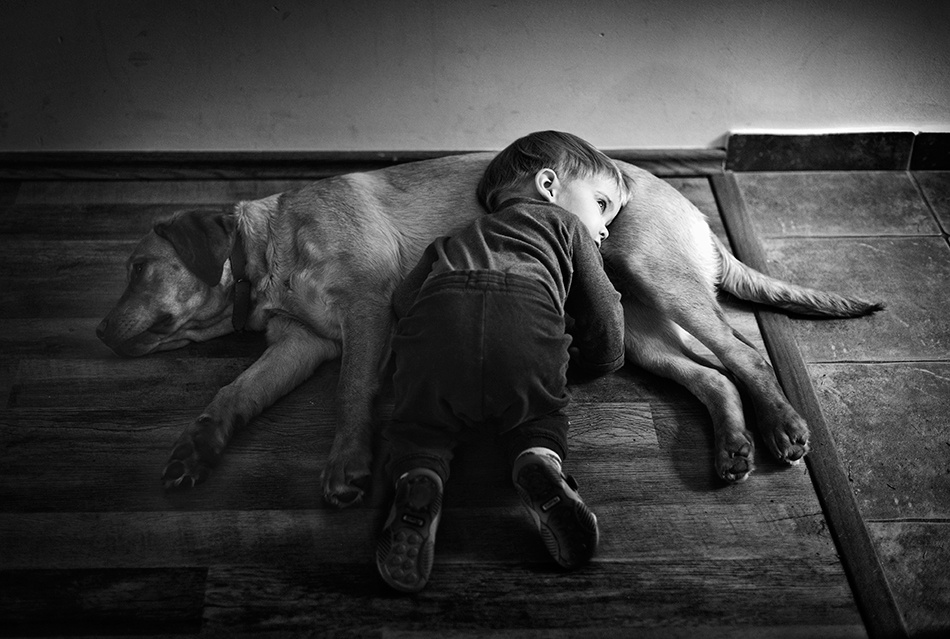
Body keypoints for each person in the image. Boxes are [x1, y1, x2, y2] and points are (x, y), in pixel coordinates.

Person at [376, 130, 628, 593]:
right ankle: (538, 461)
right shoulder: (567, 228)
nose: (606, 229)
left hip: (438, 322)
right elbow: (603, 307)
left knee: (420, 426)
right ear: (549, 186)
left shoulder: (455, 236)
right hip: (524, 318)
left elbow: (404, 298)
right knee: (537, 414)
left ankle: (420, 475)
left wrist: (430, 336)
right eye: (601, 204)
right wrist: (601, 359)